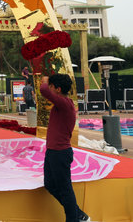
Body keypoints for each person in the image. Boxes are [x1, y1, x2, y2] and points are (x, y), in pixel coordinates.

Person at [40, 73, 90, 222]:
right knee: (49, 184)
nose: (49, 88)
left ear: (58, 89)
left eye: (51, 86)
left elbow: (43, 90)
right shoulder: (61, 104)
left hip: (60, 153)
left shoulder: (65, 103)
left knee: (65, 190)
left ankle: (73, 218)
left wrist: (45, 80)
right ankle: (78, 214)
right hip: (53, 152)